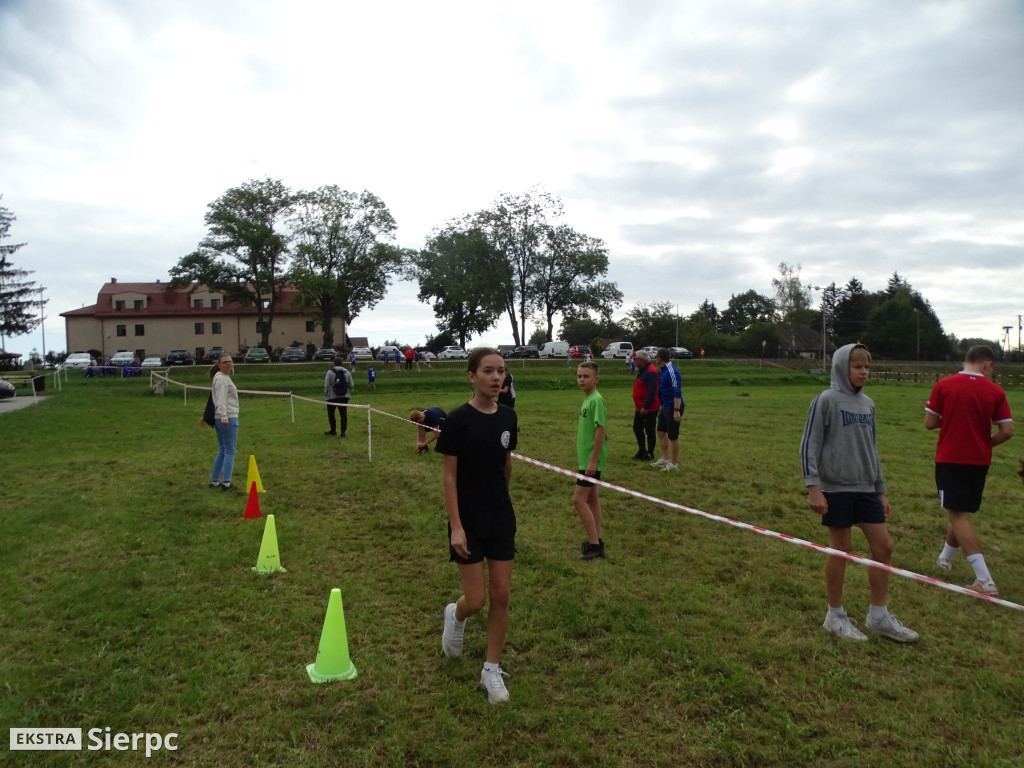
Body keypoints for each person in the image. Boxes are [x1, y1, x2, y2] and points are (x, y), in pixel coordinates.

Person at [800, 343, 918, 643]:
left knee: (883, 548)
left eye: (867, 367)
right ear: (842, 368)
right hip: (835, 488)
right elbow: (809, 444)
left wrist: (880, 490)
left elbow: (872, 449)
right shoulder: (825, 400)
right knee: (841, 548)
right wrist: (813, 486)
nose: (864, 371)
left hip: (866, 489)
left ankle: (878, 616)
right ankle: (835, 615)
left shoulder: (868, 404)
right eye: (857, 367)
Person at [437, 348, 519, 705]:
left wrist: (500, 500)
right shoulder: (457, 420)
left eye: (501, 371)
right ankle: (455, 616)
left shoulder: (508, 417)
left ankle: (491, 669)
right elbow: (450, 477)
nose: (496, 377)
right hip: (467, 520)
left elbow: (505, 464)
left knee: (501, 595)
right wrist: (456, 526)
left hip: (500, 517)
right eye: (488, 371)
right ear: (472, 376)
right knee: (477, 599)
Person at [925, 345, 1014, 596]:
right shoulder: (996, 391)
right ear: (987, 364)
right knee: (960, 511)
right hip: (979, 462)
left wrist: (952, 415)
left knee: (957, 515)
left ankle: (984, 579)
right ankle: (945, 559)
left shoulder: (945, 385)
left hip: (951, 459)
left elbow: (930, 423)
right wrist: (987, 443)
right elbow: (1007, 431)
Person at [575, 361, 607, 560]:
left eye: (586, 376)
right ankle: (598, 539)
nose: (581, 380)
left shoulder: (596, 400)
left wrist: (593, 461)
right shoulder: (587, 399)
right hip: (585, 459)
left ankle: (594, 546)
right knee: (592, 499)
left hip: (591, 461)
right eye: (579, 376)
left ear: (596, 379)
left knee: (578, 500)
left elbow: (600, 431)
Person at [207, 354, 239, 491]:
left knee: (223, 450)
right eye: (225, 362)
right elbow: (220, 399)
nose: (228, 364)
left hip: (221, 417)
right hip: (227, 417)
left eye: (230, 361)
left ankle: (214, 481)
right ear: (219, 365)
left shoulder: (224, 377)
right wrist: (224, 416)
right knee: (230, 451)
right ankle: (226, 483)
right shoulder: (221, 379)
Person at [652, 348, 683, 472]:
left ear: (660, 358)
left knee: (673, 436)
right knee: (660, 431)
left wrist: (676, 410)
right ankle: (665, 458)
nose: (655, 358)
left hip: (673, 406)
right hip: (664, 406)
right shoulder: (663, 370)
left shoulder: (671, 371)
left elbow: (677, 391)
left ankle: (674, 464)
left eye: (656, 356)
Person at [631, 350, 660, 461]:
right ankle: (642, 450)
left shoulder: (651, 371)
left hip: (649, 408)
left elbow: (652, 391)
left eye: (636, 359)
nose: (634, 361)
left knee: (649, 431)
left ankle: (650, 453)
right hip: (640, 408)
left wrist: (646, 406)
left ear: (642, 360)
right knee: (637, 428)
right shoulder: (642, 370)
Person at [324, 356, 354, 436]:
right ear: (342, 363)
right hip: (344, 397)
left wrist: (326, 393)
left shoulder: (330, 372)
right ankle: (343, 432)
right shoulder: (347, 373)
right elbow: (351, 385)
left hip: (332, 397)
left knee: (331, 414)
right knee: (343, 414)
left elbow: (327, 385)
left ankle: (333, 431)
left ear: (334, 363)